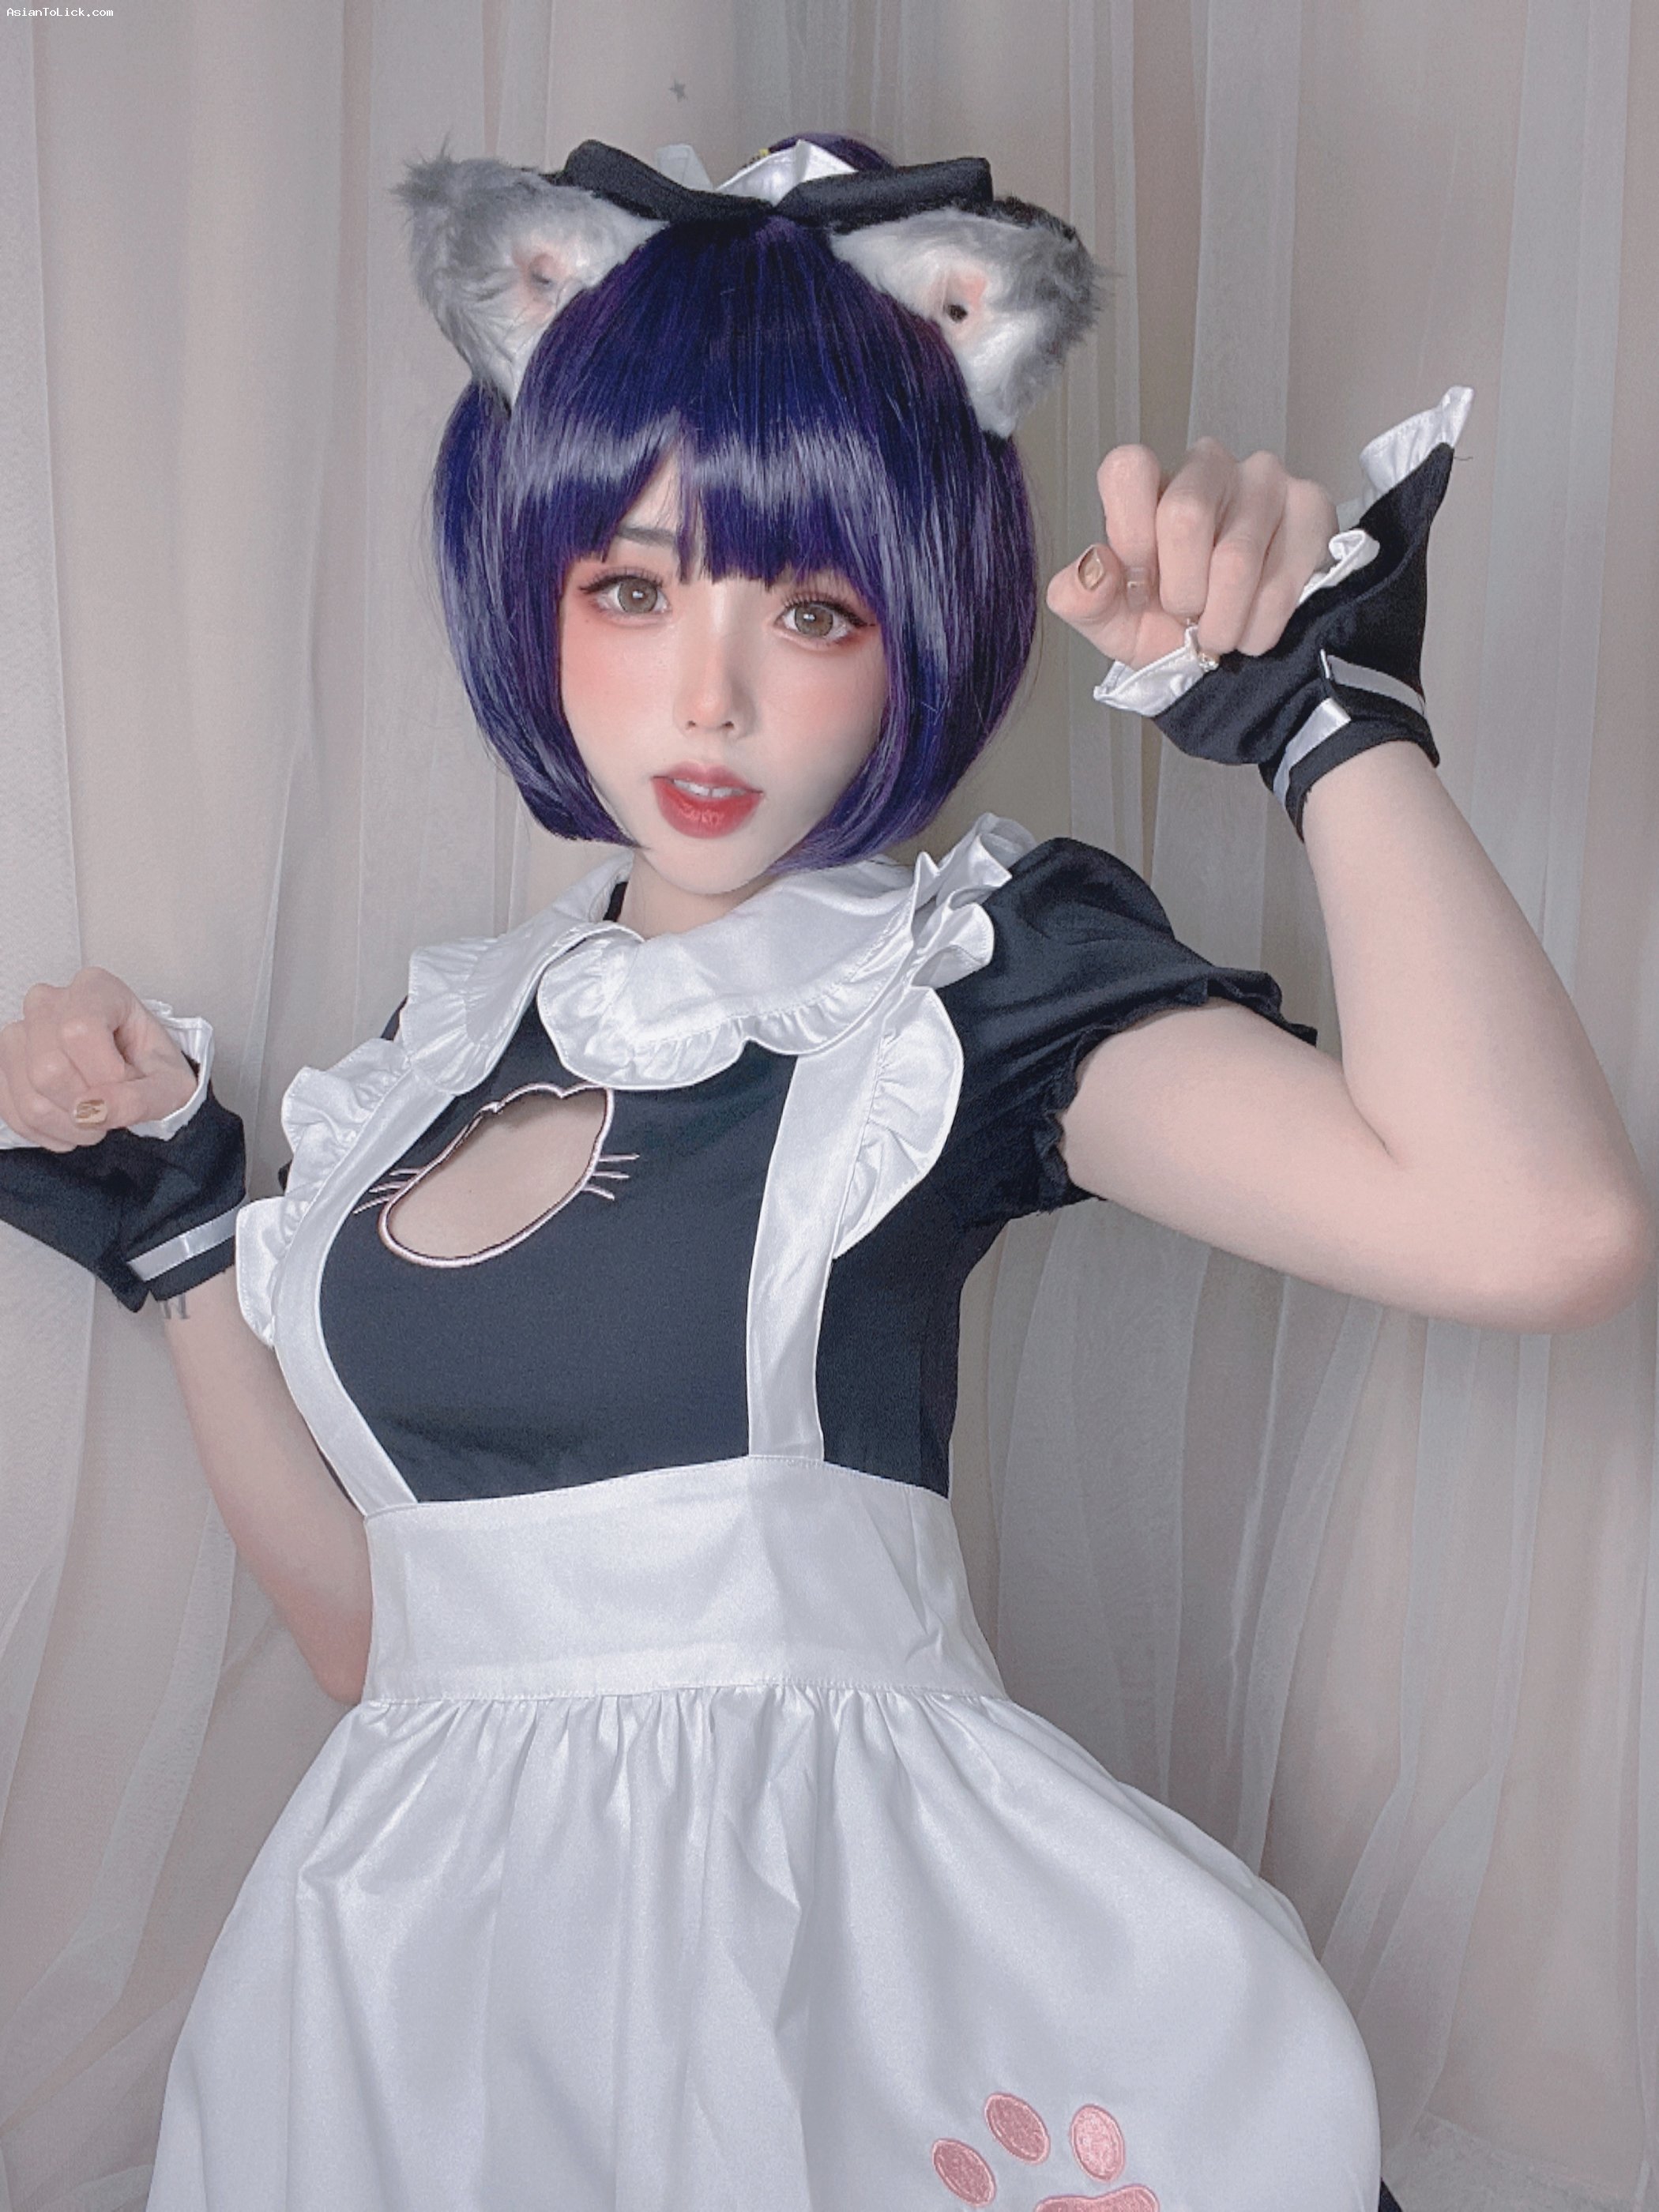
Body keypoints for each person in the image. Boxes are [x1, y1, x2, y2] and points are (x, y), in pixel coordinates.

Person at [0, 132, 1649, 2212]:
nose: (710, 693)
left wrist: (1327, 723)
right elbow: (370, 1640)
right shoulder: (429, 1051)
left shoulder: (957, 980)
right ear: (530, 595)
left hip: (819, 1970)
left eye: (808, 604)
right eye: (631, 589)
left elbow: (1530, 1228)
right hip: (404, 1990)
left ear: (913, 623)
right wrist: (179, 1238)